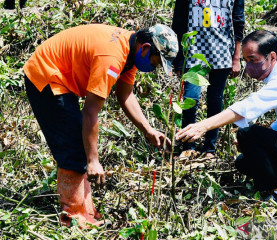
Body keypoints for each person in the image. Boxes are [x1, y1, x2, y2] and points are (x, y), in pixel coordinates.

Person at [24, 24, 178, 227]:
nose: (154, 67)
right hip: (46, 74)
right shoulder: (112, 58)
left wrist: (148, 130)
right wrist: (93, 160)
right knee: (74, 145)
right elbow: (90, 111)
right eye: (155, 62)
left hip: (60, 75)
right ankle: (72, 214)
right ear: (145, 48)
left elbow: (126, 95)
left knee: (80, 140)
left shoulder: (130, 53)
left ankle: (85, 207)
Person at [176, 30, 277, 202]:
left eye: (253, 59)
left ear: (272, 57)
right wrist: (258, 143)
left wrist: (203, 126)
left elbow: (248, 106)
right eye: (246, 60)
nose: (249, 66)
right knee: (244, 161)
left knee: (246, 133)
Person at [172, 0, 245, 159]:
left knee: (215, 100)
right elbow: (178, 22)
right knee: (190, 99)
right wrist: (179, 59)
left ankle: (209, 149)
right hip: (192, 52)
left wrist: (236, 58)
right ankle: (188, 146)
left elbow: (238, 23)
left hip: (222, 51)